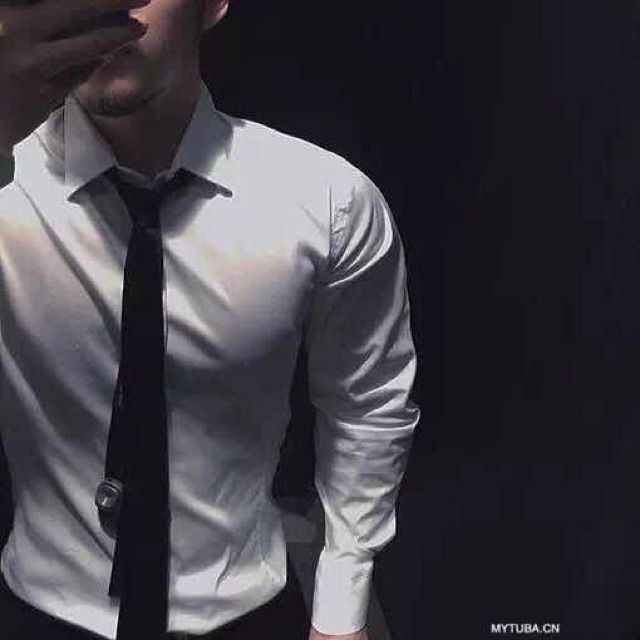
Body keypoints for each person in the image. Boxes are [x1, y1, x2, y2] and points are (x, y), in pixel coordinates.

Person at [0, 1, 421, 639]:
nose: (105, 8)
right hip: (36, 612)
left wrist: (341, 608)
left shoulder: (326, 201)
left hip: (248, 612)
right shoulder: (6, 183)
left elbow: (367, 405)